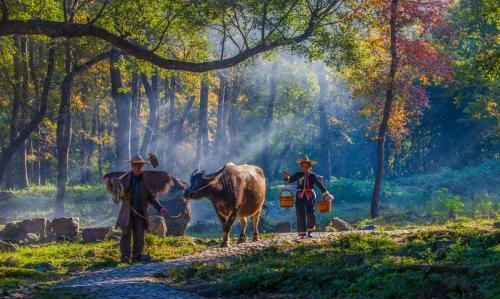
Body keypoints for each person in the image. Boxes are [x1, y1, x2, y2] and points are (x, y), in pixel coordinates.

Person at [115, 155, 168, 263]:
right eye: (135, 165)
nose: (138, 167)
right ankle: (125, 257)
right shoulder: (124, 179)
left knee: (139, 237)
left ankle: (136, 258)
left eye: (140, 165)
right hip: (127, 213)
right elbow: (117, 195)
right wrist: (115, 186)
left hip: (140, 214)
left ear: (142, 166)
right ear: (132, 166)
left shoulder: (146, 180)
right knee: (125, 236)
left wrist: (160, 208)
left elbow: (151, 198)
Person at [283, 156, 334, 238]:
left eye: (306, 165)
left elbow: (320, 185)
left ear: (309, 167)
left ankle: (310, 231)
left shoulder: (313, 176)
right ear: (301, 166)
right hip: (299, 195)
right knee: (300, 213)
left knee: (310, 213)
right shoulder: (297, 174)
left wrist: (327, 194)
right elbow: (289, 180)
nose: (304, 167)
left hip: (310, 195)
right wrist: (286, 177)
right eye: (303, 165)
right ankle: (302, 233)